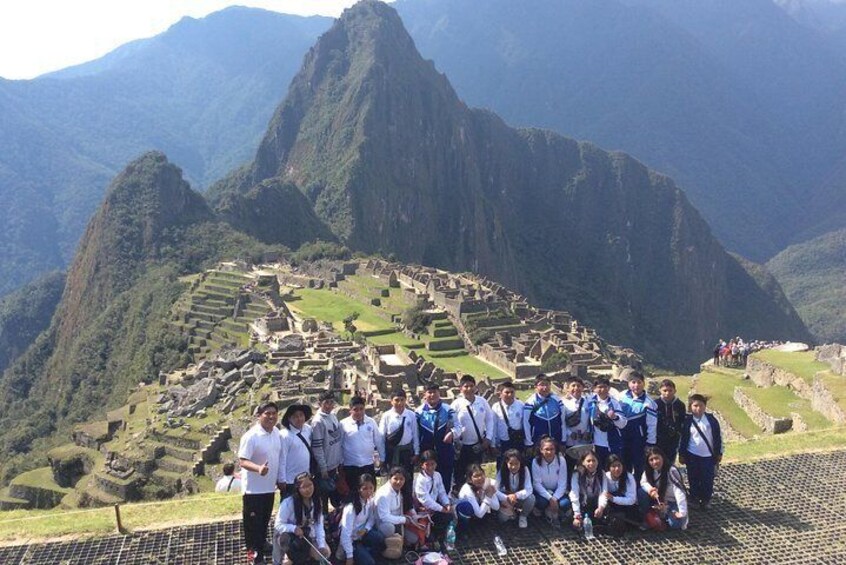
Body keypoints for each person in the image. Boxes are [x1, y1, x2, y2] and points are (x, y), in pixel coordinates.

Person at [238, 401, 283, 565]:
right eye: (267, 413)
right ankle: (254, 554)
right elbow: (242, 461)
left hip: (269, 487)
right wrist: (258, 468)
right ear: (259, 416)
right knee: (252, 524)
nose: (271, 416)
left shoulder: (276, 432)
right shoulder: (251, 436)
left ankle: (262, 544)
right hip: (253, 490)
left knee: (264, 520)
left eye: (274, 413)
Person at [271, 472, 330, 565]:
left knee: (325, 553)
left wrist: (321, 545)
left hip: (307, 536)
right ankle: (288, 557)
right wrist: (293, 528)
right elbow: (278, 525)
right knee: (290, 559)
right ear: (298, 489)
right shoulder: (288, 503)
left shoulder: (317, 501)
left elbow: (319, 524)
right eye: (304, 487)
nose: (308, 490)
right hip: (289, 538)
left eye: (310, 485)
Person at [451, 375, 495, 491]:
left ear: (475, 387)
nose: (469, 389)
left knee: (476, 474)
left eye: (471, 386)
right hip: (461, 447)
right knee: (460, 475)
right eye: (466, 386)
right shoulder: (456, 404)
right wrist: (455, 441)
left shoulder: (482, 402)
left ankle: (477, 497)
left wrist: (489, 438)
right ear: (461, 388)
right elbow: (451, 424)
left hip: (477, 445)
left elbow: (489, 419)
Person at [678, 394, 723, 509]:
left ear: (705, 406)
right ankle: (694, 498)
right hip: (692, 455)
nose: (698, 409)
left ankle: (706, 499)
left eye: (701, 406)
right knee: (693, 478)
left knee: (707, 479)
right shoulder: (688, 421)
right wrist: (682, 454)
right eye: (695, 406)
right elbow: (683, 439)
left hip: (708, 456)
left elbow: (718, 437)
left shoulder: (711, 420)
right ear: (690, 407)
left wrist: (719, 452)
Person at [378, 388, 419, 507]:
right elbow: (381, 437)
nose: (399, 403)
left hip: (406, 453)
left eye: (402, 400)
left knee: (407, 480)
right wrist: (382, 456)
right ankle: (390, 506)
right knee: (392, 480)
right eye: (397, 400)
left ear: (405, 400)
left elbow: (415, 434)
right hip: (392, 454)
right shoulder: (386, 416)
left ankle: (407, 506)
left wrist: (416, 452)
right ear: (391, 401)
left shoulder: (411, 415)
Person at [618, 369, 657, 480]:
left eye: (639, 382)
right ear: (629, 384)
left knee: (639, 465)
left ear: (643, 384)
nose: (636, 385)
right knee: (623, 463)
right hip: (622, 437)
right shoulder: (621, 396)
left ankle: (639, 490)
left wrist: (650, 443)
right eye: (633, 382)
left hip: (638, 439)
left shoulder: (649, 403)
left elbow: (652, 425)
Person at [340, 395, 384, 494]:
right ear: (350, 410)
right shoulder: (343, 424)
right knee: (352, 493)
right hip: (350, 466)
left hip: (367, 464)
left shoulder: (371, 422)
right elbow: (339, 445)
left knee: (369, 492)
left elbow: (378, 441)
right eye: (355, 409)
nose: (359, 412)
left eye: (361, 409)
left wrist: (382, 458)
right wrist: (340, 464)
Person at [339, 473, 385, 565]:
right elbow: (345, 534)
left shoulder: (370, 500)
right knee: (369, 563)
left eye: (371, 488)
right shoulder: (351, 508)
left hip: (362, 534)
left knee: (379, 538)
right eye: (365, 488)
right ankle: (357, 554)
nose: (368, 492)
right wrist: (349, 556)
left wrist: (366, 529)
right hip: (351, 540)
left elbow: (371, 519)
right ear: (359, 489)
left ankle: (364, 553)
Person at [417, 383, 456, 492]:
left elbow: (458, 426)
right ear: (424, 394)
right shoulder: (419, 412)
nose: (432, 395)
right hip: (427, 452)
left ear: (439, 393)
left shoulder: (448, 410)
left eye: (435, 392)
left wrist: (452, 433)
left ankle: (444, 503)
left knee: (445, 478)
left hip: (445, 451)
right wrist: (416, 451)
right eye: (429, 392)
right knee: (427, 480)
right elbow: (416, 435)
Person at [640, 446, 688, 530]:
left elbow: (679, 491)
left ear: (662, 457)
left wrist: (682, 512)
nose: (655, 462)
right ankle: (648, 516)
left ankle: (663, 516)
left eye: (657, 458)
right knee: (641, 492)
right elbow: (643, 482)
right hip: (658, 500)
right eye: (651, 460)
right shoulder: (648, 470)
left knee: (675, 524)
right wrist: (651, 490)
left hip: (671, 501)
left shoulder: (671, 470)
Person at [413, 449, 454, 549]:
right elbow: (425, 500)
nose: (430, 467)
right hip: (423, 511)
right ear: (422, 465)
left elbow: (442, 492)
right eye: (427, 464)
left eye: (433, 464)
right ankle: (431, 537)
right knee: (428, 535)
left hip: (434, 508)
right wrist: (442, 509)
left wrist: (447, 504)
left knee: (449, 516)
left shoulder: (437, 475)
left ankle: (437, 535)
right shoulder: (420, 480)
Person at [311, 391, 343, 510]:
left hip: (334, 466)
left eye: (331, 402)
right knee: (323, 501)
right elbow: (317, 447)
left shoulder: (332, 416)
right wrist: (323, 467)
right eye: (326, 403)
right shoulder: (318, 421)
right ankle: (323, 525)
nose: (329, 406)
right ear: (320, 403)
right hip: (325, 469)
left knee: (336, 499)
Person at [375, 466, 421, 547]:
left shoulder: (399, 489)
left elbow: (401, 510)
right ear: (390, 478)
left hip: (398, 522)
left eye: (401, 479)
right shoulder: (384, 494)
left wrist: (411, 518)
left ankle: (399, 541)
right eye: (395, 478)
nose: (398, 482)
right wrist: (403, 520)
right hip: (383, 524)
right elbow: (384, 517)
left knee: (414, 538)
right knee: (389, 528)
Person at [587, 378, 626, 470]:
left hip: (612, 444)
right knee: (598, 470)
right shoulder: (589, 403)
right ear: (594, 389)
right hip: (596, 444)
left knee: (613, 469)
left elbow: (623, 423)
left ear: (609, 388)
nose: (603, 390)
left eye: (605, 387)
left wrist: (615, 417)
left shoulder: (614, 403)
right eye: (599, 387)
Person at [595, 454, 638, 535]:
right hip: (612, 505)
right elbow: (603, 494)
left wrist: (614, 498)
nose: (617, 469)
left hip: (627, 506)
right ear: (609, 467)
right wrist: (600, 508)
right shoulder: (605, 476)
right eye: (613, 466)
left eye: (619, 465)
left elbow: (632, 500)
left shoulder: (628, 477)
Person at [531, 436, 570, 525]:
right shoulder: (536, 461)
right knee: (541, 502)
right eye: (546, 449)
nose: (549, 452)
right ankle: (545, 512)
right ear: (541, 450)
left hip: (557, 491)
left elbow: (562, 483)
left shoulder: (561, 460)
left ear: (555, 449)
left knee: (565, 504)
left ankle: (555, 511)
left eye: (552, 449)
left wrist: (555, 497)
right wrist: (550, 498)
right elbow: (537, 483)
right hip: (543, 492)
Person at [278, 403, 314, 498]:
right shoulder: (284, 436)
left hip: (306, 477)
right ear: (289, 419)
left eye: (301, 415)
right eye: (295, 416)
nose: (299, 419)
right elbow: (282, 458)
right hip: (291, 480)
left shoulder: (308, 429)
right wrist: (281, 479)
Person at [523, 373, 566, 451]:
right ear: (536, 387)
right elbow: (526, 424)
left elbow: (562, 421)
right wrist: (529, 443)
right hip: (537, 441)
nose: (545, 387)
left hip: (555, 439)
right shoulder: (530, 402)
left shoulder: (557, 400)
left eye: (547, 384)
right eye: (541, 385)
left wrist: (563, 440)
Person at [495, 448, 535, 528]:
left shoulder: (525, 470)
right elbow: (495, 490)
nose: (514, 467)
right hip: (506, 500)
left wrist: (516, 495)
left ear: (520, 462)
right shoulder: (502, 471)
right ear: (506, 462)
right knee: (502, 519)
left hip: (519, 499)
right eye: (511, 463)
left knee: (531, 498)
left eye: (516, 464)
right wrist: (507, 497)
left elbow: (529, 489)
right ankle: (512, 513)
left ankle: (523, 516)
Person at [566, 450, 603, 533]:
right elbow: (574, 493)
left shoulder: (601, 474)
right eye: (588, 461)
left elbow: (603, 493)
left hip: (595, 503)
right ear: (583, 462)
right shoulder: (576, 474)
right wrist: (577, 515)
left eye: (594, 460)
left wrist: (601, 507)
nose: (591, 464)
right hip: (582, 502)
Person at [455, 464, 500, 532]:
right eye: (476, 476)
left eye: (481, 475)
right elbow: (479, 514)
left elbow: (496, 506)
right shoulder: (467, 489)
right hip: (463, 513)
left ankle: (480, 525)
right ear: (470, 479)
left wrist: (487, 494)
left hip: (476, 511)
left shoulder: (486, 483)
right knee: (467, 507)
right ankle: (463, 530)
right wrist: (487, 496)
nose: (479, 478)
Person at [492, 380, 526, 464]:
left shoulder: (521, 405)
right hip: (503, 443)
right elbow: (494, 427)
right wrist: (493, 444)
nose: (510, 395)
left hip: (518, 441)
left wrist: (527, 441)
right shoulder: (496, 407)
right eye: (506, 392)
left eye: (512, 392)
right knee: (503, 465)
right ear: (500, 394)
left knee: (519, 465)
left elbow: (524, 424)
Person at [562, 376, 592, 471]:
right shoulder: (563, 403)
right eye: (573, 386)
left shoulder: (587, 401)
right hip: (570, 441)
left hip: (584, 440)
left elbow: (589, 420)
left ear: (583, 388)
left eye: (578, 386)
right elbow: (562, 423)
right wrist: (569, 434)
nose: (576, 388)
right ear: (568, 388)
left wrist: (588, 432)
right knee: (569, 467)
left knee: (584, 467)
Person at [655, 379, 686, 465]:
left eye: (670, 390)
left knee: (670, 463)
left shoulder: (680, 405)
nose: (667, 393)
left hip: (673, 440)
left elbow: (682, 422)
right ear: (660, 390)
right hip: (658, 440)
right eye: (665, 390)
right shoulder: (655, 404)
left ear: (675, 391)